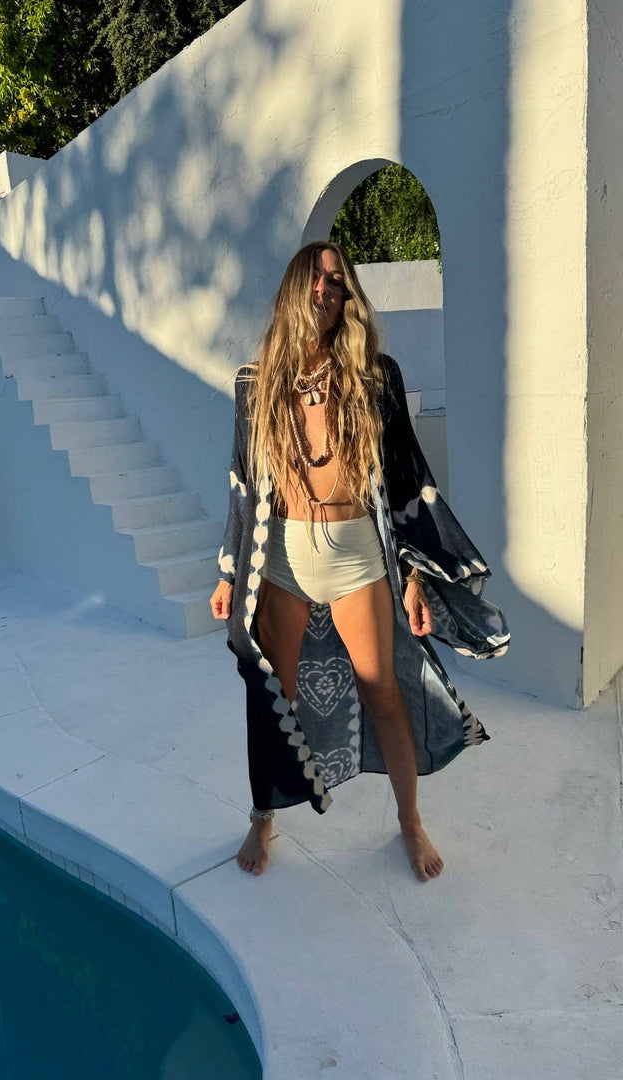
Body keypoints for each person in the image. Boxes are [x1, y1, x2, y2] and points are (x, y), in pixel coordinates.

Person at [210, 241, 510, 882]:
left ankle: (410, 820)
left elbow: (405, 481)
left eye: (337, 282)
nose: (325, 290)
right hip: (283, 560)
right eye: (315, 279)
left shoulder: (374, 377)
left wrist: (414, 577)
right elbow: (241, 482)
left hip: (358, 560)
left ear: (347, 297)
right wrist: (229, 571)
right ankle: (263, 817)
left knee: (384, 694)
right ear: (294, 288)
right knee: (273, 697)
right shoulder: (254, 384)